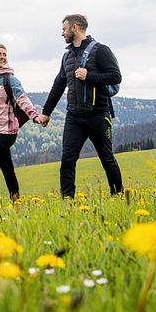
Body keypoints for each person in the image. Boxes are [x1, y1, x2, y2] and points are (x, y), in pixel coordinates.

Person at [38, 14, 123, 198]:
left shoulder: (101, 50)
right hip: (74, 117)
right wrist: (46, 112)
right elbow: (58, 84)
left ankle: (118, 197)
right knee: (67, 160)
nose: (62, 33)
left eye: (64, 29)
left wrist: (89, 75)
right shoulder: (67, 56)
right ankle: (67, 202)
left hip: (98, 115)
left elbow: (116, 77)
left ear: (75, 28)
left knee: (107, 159)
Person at [0, 44, 42, 202]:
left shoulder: (9, 79)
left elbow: (22, 99)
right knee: (7, 169)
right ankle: (16, 200)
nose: (2, 57)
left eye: (4, 54)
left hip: (7, 131)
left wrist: (35, 116)